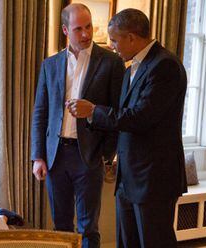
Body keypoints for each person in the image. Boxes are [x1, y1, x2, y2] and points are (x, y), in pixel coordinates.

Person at [67, 8, 188, 248]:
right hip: (129, 176)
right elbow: (123, 118)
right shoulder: (132, 67)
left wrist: (93, 111)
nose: (111, 46)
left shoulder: (165, 66)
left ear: (131, 37)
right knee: (127, 243)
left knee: (154, 243)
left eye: (114, 39)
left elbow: (139, 118)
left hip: (154, 178)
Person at [31, 3, 125, 247]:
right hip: (55, 156)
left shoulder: (111, 63)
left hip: (89, 156)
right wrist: (38, 156)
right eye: (78, 29)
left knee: (88, 227)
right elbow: (40, 113)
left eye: (88, 27)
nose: (85, 34)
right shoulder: (49, 65)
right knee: (60, 226)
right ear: (65, 30)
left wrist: (107, 155)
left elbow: (118, 113)